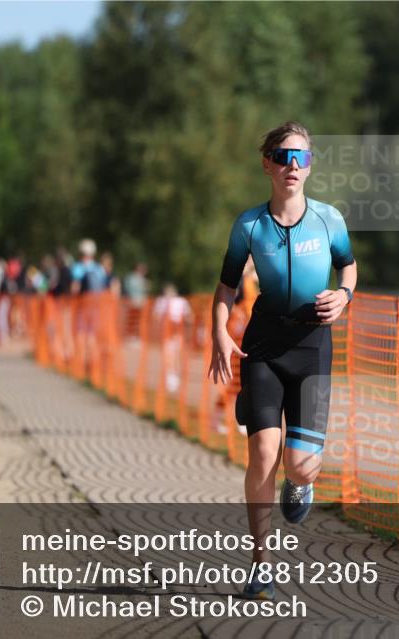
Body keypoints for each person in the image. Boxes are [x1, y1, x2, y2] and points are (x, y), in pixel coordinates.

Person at [208, 121, 357, 601]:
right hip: (263, 347)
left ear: (310, 166)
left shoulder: (329, 219)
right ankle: (260, 564)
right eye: (283, 156)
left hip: (312, 347)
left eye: (302, 157)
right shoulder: (249, 225)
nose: (293, 165)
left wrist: (345, 295)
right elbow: (228, 285)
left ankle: (301, 480)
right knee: (264, 455)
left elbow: (348, 266)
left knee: (300, 467)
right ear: (267, 163)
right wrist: (219, 336)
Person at [153, 282, 190, 393]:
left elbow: (188, 316)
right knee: (168, 354)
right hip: (166, 333)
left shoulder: (182, 302)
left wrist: (182, 323)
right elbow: (156, 316)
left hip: (178, 332)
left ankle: (175, 375)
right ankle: (170, 376)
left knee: (176, 354)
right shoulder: (161, 302)